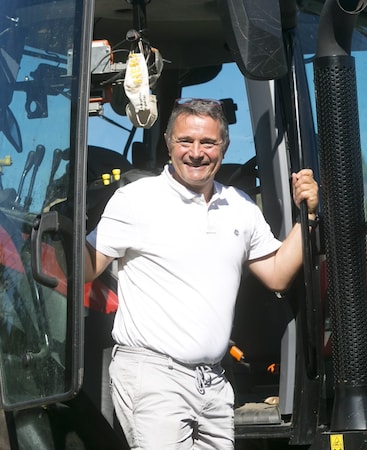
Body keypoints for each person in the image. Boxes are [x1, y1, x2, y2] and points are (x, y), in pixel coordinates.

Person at [84, 98, 319, 449]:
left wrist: (309, 217)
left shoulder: (240, 206)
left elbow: (276, 274)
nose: (196, 153)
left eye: (207, 143)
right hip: (153, 377)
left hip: (213, 382)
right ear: (168, 143)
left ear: (223, 146)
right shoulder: (136, 200)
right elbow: (85, 268)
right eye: (185, 141)